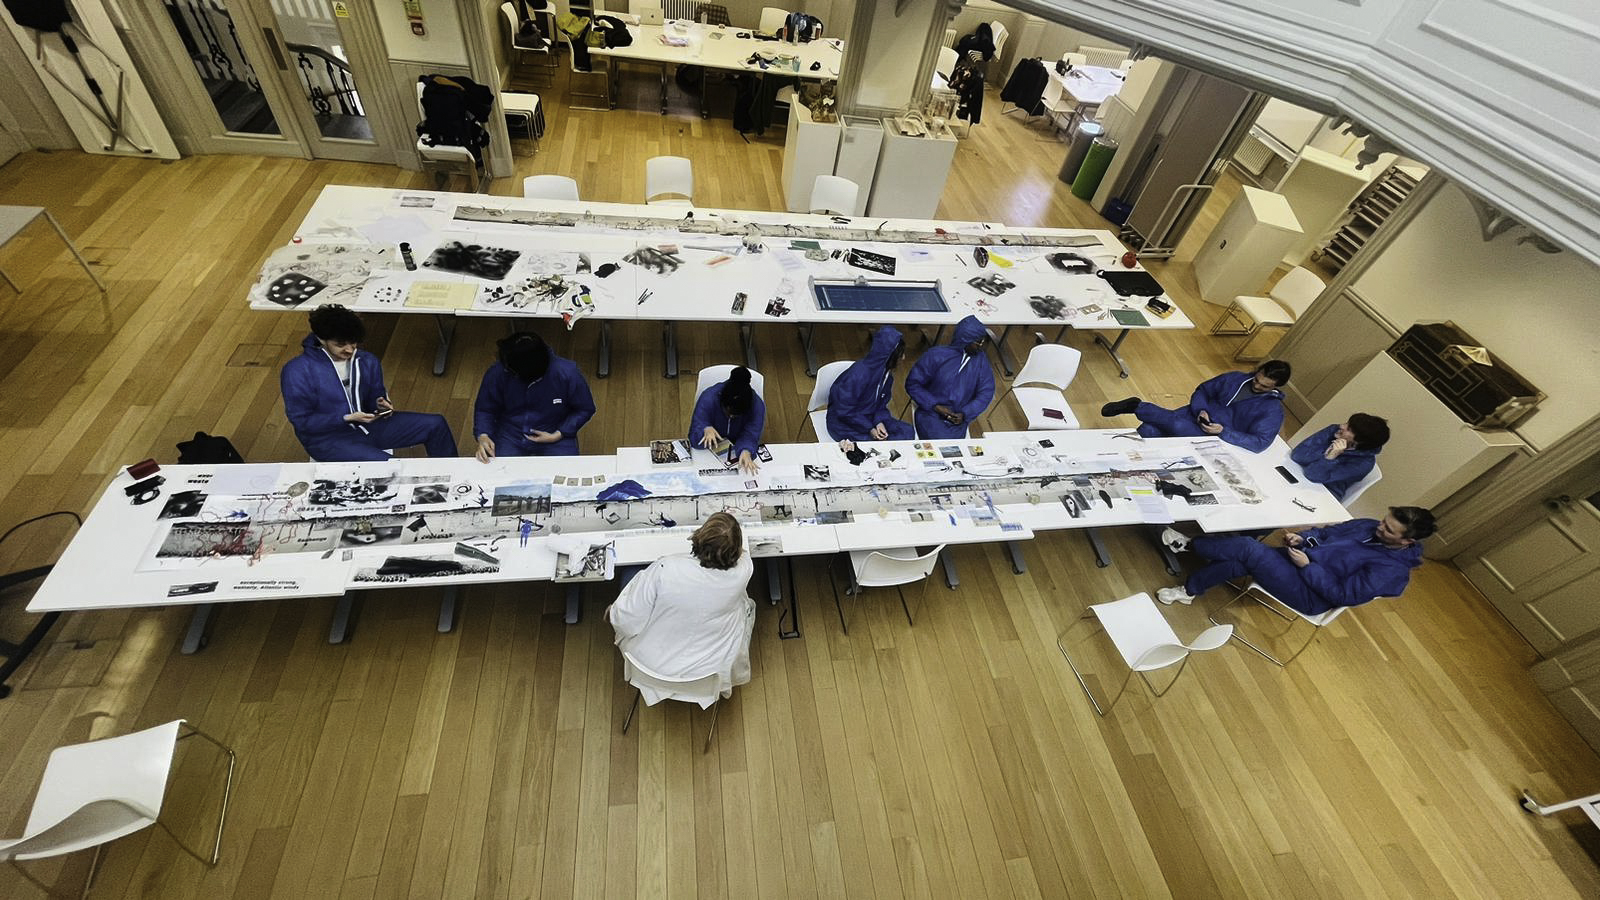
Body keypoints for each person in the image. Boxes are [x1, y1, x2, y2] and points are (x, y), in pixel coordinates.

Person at [1155, 506, 1436, 615]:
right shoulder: (1368, 525)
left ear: (1406, 541)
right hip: (1298, 563)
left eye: (1388, 530)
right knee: (1241, 562)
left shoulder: (1391, 570)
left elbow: (1343, 594)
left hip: (1311, 594)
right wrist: (1303, 539)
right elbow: (1328, 534)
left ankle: (1188, 545)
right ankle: (1189, 591)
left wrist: (1308, 567)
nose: (1379, 528)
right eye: (1384, 521)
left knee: (1247, 548)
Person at [606, 512, 757, 705]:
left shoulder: (666, 568)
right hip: (709, 673)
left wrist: (613, 611)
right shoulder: (744, 570)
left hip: (652, 667)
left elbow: (626, 621)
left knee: (630, 576)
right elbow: (742, 555)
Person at [280, 304, 456, 461]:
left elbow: (375, 394)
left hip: (369, 425)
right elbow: (302, 422)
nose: (349, 349)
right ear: (321, 339)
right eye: (340, 344)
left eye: (353, 342)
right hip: (328, 440)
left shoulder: (367, 360)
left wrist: (381, 405)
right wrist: (346, 418)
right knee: (393, 468)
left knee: (435, 425)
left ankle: (455, 477)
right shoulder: (297, 371)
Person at [1100, 360, 1291, 452]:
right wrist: (1201, 409)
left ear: (1276, 386)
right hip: (1194, 415)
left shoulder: (1272, 411)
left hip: (1214, 437)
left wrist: (1223, 431)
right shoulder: (1235, 378)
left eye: (1263, 386)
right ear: (1257, 371)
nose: (1256, 386)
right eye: (1256, 380)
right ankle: (1111, 454)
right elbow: (1202, 390)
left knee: (1175, 426)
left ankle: (1138, 406)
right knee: (1147, 430)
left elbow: (1260, 443)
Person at [473, 332, 596, 461]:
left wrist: (559, 434)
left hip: (554, 431)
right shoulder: (498, 371)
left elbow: (584, 408)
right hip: (510, 434)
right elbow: (485, 409)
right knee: (497, 475)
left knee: (567, 474)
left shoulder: (567, 373)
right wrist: (483, 435)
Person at [904, 315, 995, 439]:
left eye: (983, 341)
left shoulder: (981, 361)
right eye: (978, 342)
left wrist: (965, 413)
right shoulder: (935, 355)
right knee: (940, 445)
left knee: (955, 451)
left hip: (958, 417)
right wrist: (935, 406)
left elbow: (986, 392)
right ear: (965, 340)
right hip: (930, 412)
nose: (981, 346)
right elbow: (913, 384)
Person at [826, 326, 916, 442]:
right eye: (900, 354)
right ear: (890, 356)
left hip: (868, 417)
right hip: (844, 424)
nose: (903, 358)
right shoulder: (858, 375)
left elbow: (881, 404)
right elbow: (844, 410)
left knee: (907, 431)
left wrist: (879, 422)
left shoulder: (886, 376)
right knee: (882, 445)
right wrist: (869, 428)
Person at [1289, 413, 1390, 501]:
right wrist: (1326, 453)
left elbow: (1313, 475)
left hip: (1324, 493)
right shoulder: (1334, 430)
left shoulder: (1363, 464)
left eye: (1349, 429)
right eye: (1347, 423)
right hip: (1302, 474)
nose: (1341, 426)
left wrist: (1330, 457)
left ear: (1359, 441)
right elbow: (1297, 455)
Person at [690, 366, 766, 475]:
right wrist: (705, 428)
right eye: (728, 413)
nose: (731, 417)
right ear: (722, 401)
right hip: (708, 449)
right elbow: (696, 431)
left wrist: (746, 450)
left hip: (735, 446)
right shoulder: (709, 398)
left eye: (736, 415)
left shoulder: (757, 407)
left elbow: (751, 434)